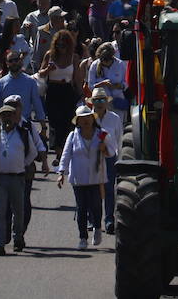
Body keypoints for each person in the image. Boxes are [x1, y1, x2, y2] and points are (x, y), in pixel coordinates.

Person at [0, 101, 42, 256]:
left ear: (14, 116)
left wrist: (23, 165)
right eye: (3, 115)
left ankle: (18, 239)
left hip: (17, 177)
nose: (7, 118)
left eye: (9, 115)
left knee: (19, 211)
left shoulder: (23, 133)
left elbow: (33, 152)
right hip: (0, 178)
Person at [58, 104, 118, 248]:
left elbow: (112, 152)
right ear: (77, 121)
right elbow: (66, 155)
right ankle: (82, 238)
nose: (85, 121)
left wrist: (105, 150)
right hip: (78, 179)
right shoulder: (73, 136)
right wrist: (61, 173)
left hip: (96, 178)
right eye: (82, 119)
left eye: (87, 118)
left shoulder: (102, 134)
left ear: (92, 119)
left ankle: (97, 228)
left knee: (96, 206)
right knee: (81, 208)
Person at [39, 30, 81, 160]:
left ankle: (65, 151)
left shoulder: (74, 57)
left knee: (67, 122)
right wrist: (47, 70)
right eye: (58, 45)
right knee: (54, 122)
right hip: (53, 90)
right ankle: (58, 153)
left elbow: (77, 78)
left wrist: (81, 95)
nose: (61, 48)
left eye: (64, 45)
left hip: (67, 91)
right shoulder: (49, 55)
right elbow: (40, 73)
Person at [89, 87, 123, 234]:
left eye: (103, 100)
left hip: (109, 158)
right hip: (91, 158)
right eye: (97, 100)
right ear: (92, 102)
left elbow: (119, 139)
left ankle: (109, 219)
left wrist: (120, 159)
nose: (100, 103)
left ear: (107, 102)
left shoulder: (114, 118)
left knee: (109, 190)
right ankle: (93, 220)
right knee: (92, 190)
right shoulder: (86, 118)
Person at [87, 43, 128, 122]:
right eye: (103, 60)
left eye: (107, 59)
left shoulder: (120, 64)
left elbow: (126, 84)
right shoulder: (94, 65)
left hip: (117, 101)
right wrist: (103, 84)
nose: (105, 62)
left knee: (117, 126)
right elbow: (90, 86)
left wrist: (120, 86)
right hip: (100, 102)